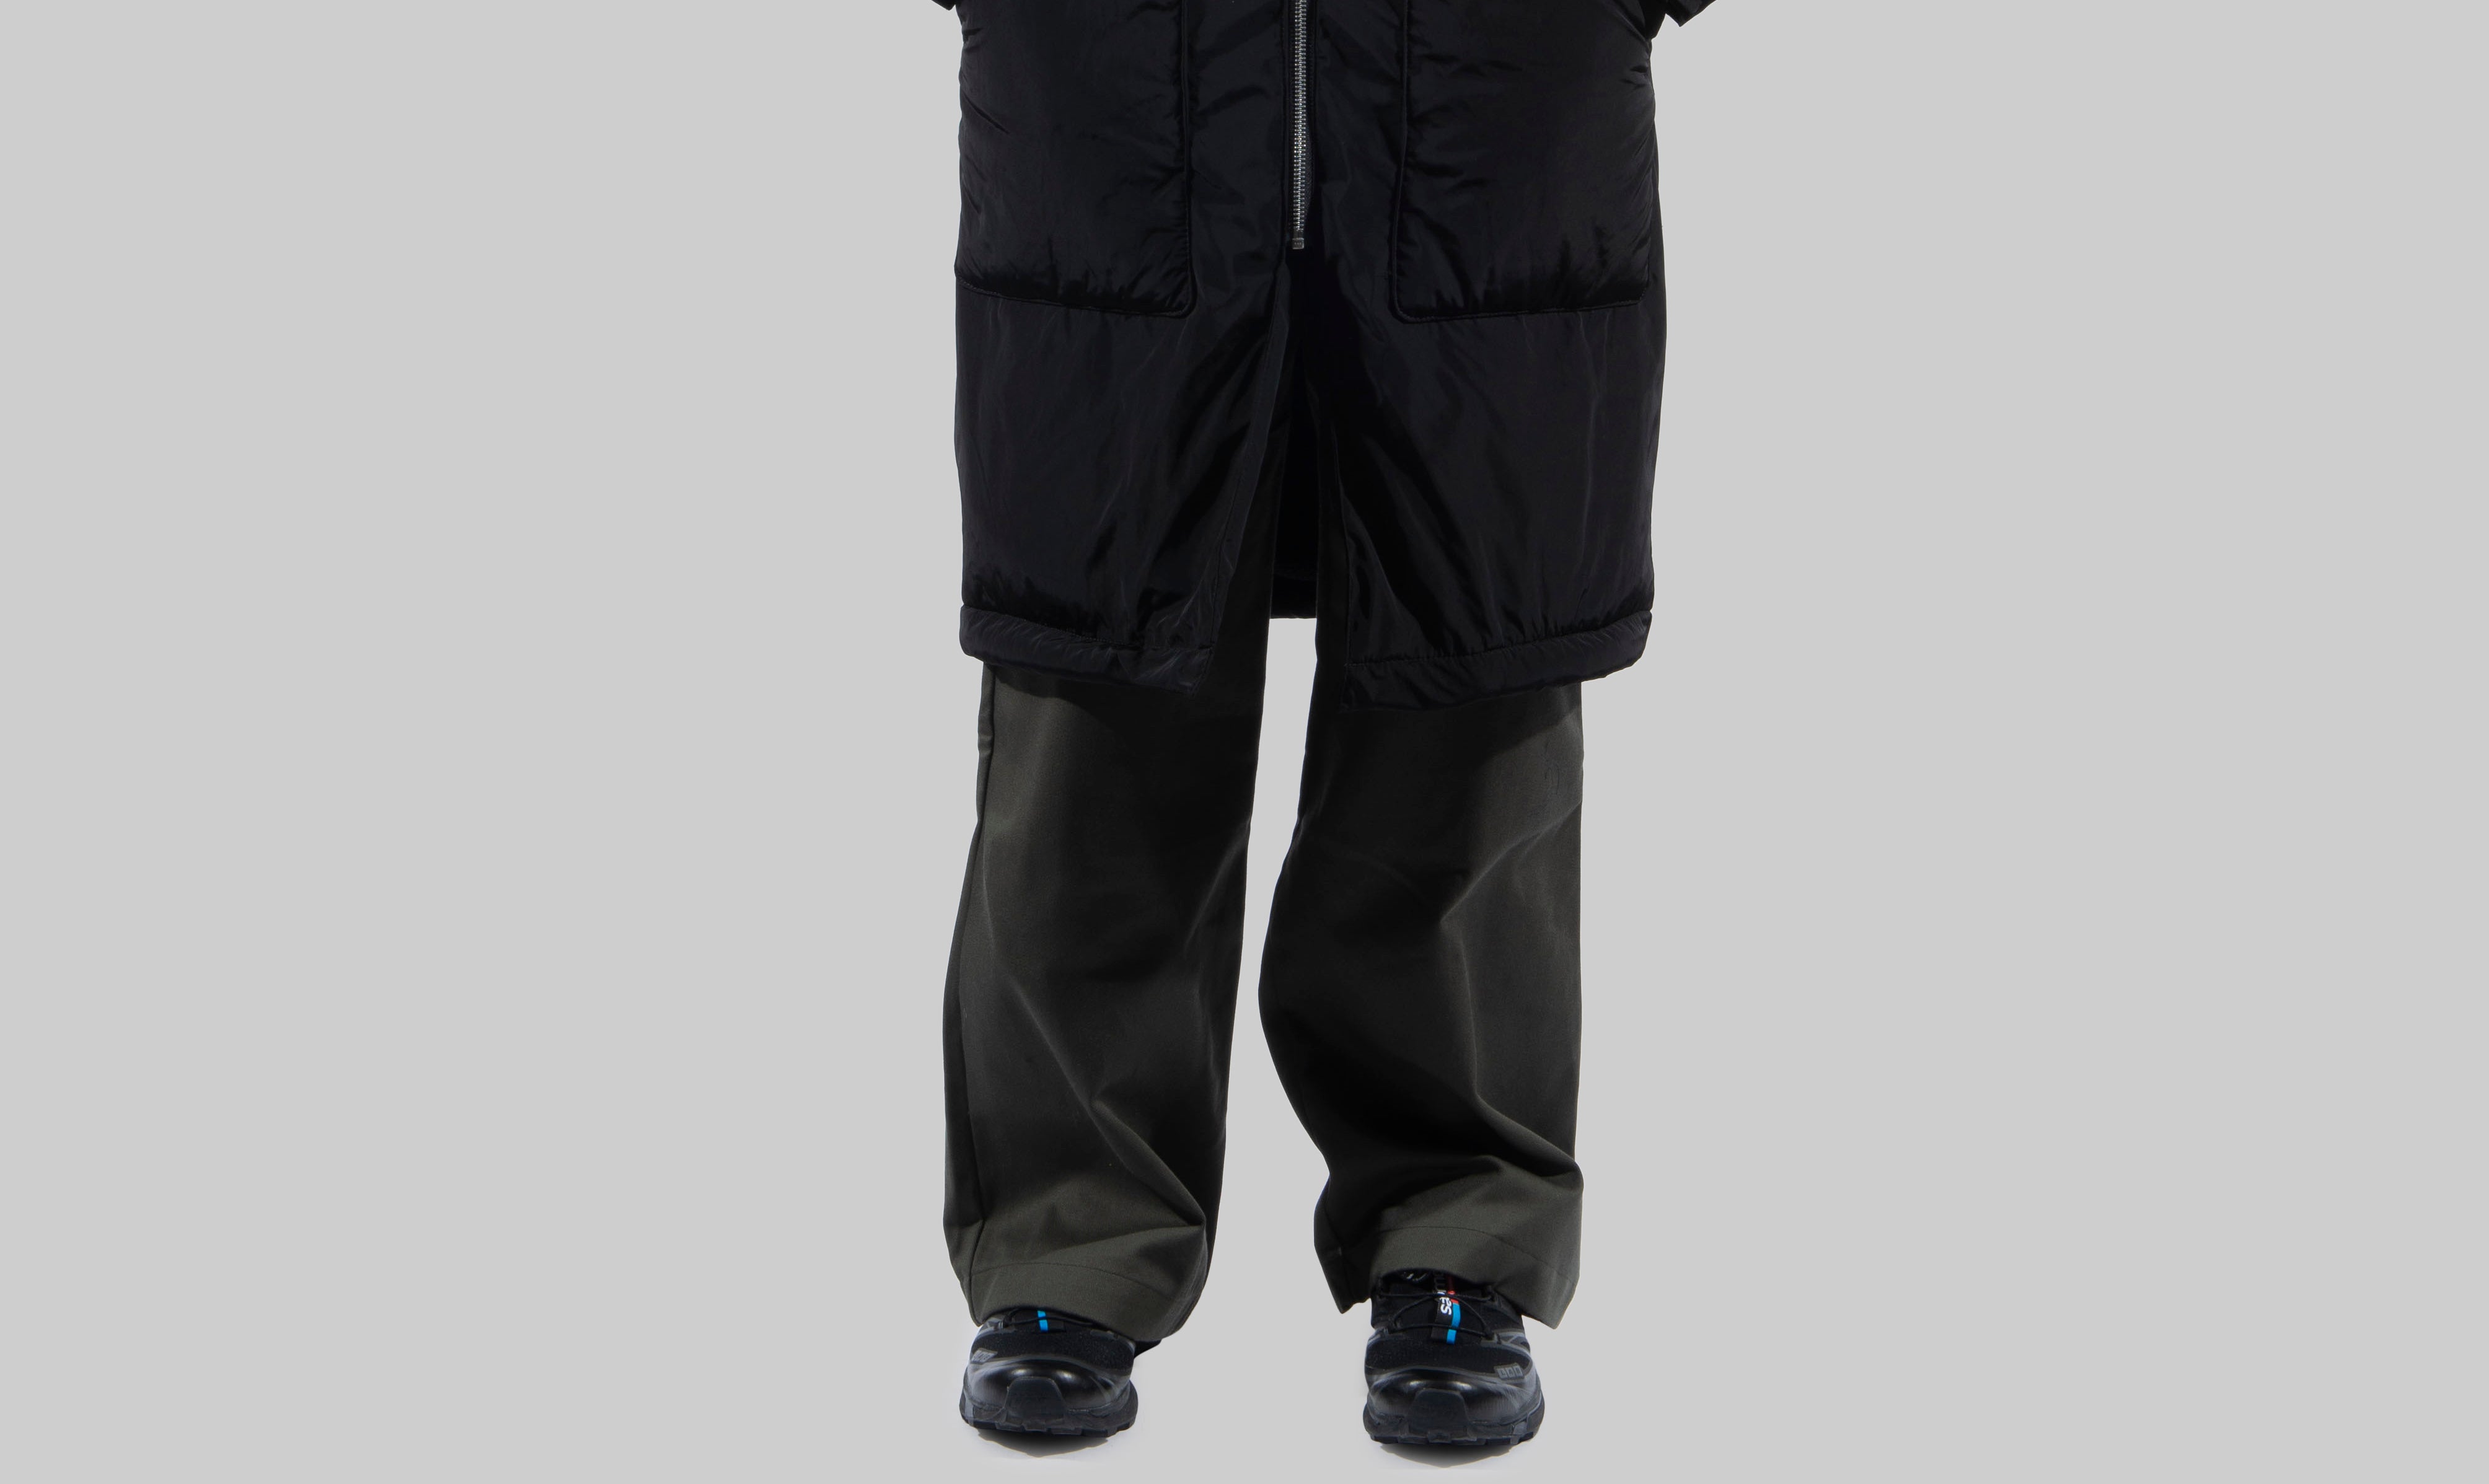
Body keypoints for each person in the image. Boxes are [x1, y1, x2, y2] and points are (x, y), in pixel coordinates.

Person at [927, 0, 1721, 1447]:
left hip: (1489, 121)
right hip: (1109, 115)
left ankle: (1461, 1241)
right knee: (1097, 708)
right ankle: (1066, 1245)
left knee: (1467, 703)